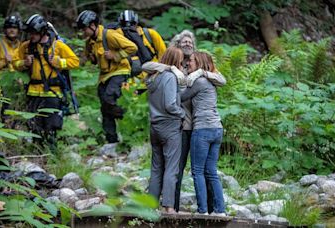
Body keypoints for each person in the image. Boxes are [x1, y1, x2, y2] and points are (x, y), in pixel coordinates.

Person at [170, 30, 226, 212]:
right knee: (207, 171)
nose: (187, 45)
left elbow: (222, 79)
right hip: (201, 126)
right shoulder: (176, 63)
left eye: (190, 42)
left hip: (200, 128)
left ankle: (205, 210)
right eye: (184, 42)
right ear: (177, 45)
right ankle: (218, 210)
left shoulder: (200, 75)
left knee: (199, 171)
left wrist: (200, 72)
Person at [14, 14, 80, 144]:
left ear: (42, 31)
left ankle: (52, 153)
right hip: (33, 92)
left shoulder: (57, 45)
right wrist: (23, 63)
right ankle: (38, 153)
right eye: (30, 33)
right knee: (34, 126)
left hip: (52, 92)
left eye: (34, 33)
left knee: (51, 126)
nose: (31, 36)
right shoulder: (26, 46)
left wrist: (60, 62)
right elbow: (14, 63)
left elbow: (75, 62)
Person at [76, 10, 137, 144]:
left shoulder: (109, 35)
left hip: (119, 71)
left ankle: (129, 118)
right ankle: (112, 140)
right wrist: (91, 59)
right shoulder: (89, 42)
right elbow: (90, 59)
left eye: (85, 29)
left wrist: (115, 55)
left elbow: (132, 47)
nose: (83, 33)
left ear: (93, 25)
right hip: (104, 76)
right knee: (104, 107)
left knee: (109, 97)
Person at [145, 46, 185, 213]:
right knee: (171, 167)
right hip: (169, 126)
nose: (182, 65)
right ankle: (168, 206)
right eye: (181, 61)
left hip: (154, 126)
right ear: (176, 61)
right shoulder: (169, 77)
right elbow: (170, 104)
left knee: (156, 168)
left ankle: (151, 205)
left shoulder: (153, 78)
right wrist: (181, 113)